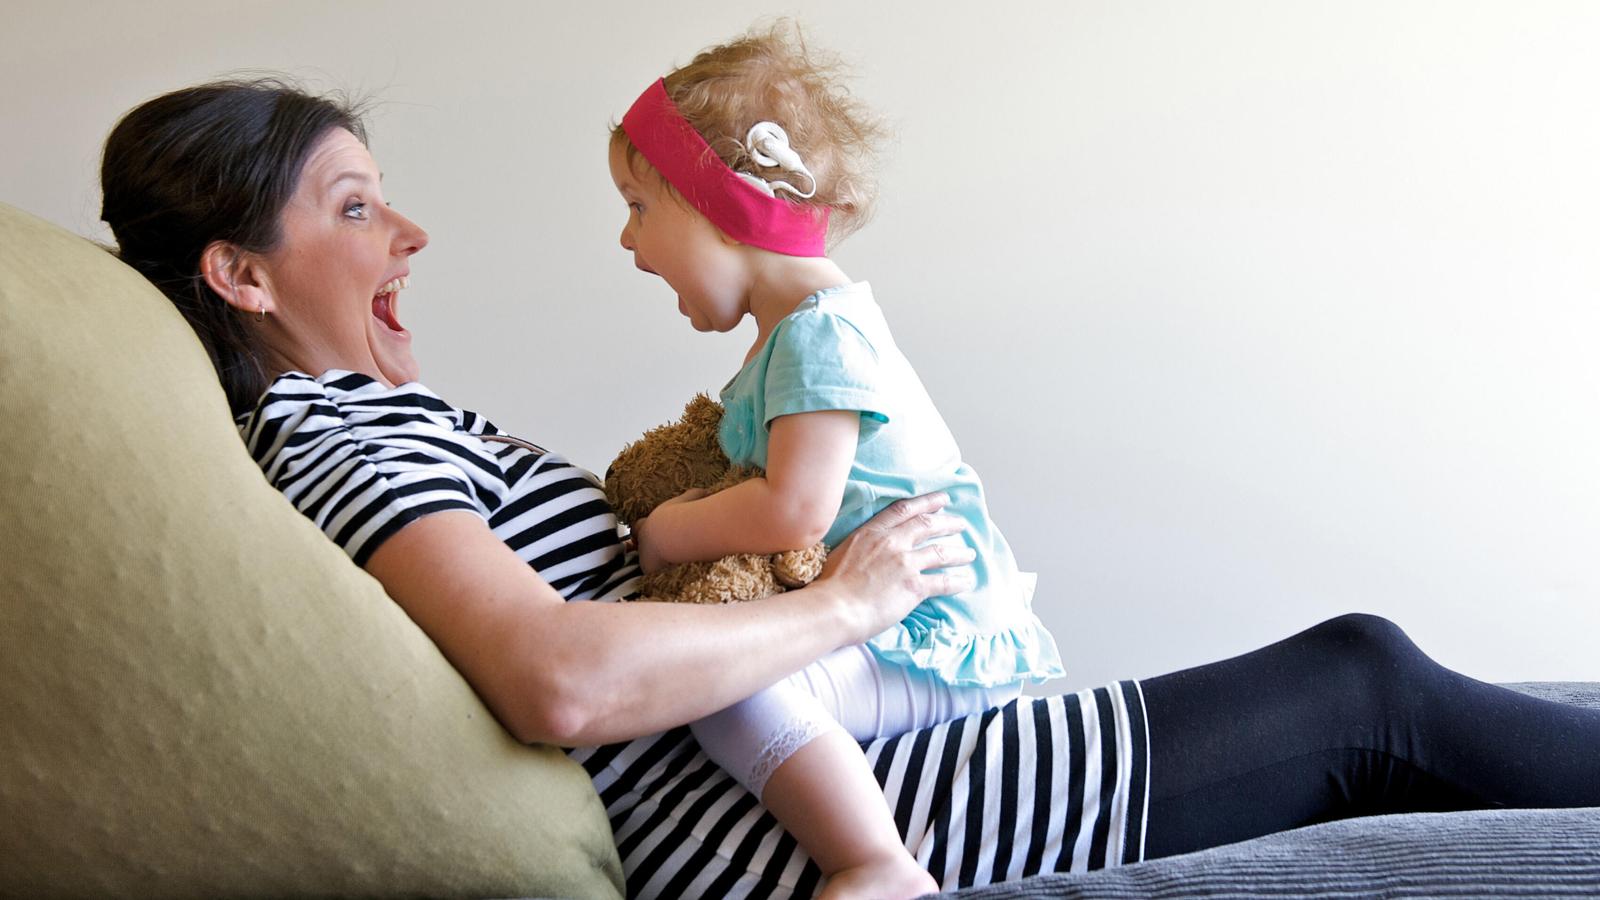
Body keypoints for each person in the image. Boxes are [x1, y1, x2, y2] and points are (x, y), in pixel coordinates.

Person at [99, 75, 1600, 900]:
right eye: (355, 208)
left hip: (855, 762)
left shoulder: (378, 423)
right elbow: (560, 679)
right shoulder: (340, 436)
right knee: (1367, 693)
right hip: (833, 818)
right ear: (238, 273)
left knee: (1380, 688)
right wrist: (847, 598)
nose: (408, 234)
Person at [605, 25, 1065, 898]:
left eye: (639, 206)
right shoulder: (791, 340)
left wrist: (666, 529)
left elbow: (794, 513)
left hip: (934, 628)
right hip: (894, 617)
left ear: (719, 206)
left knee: (729, 687)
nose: (628, 241)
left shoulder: (822, 333)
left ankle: (874, 863)